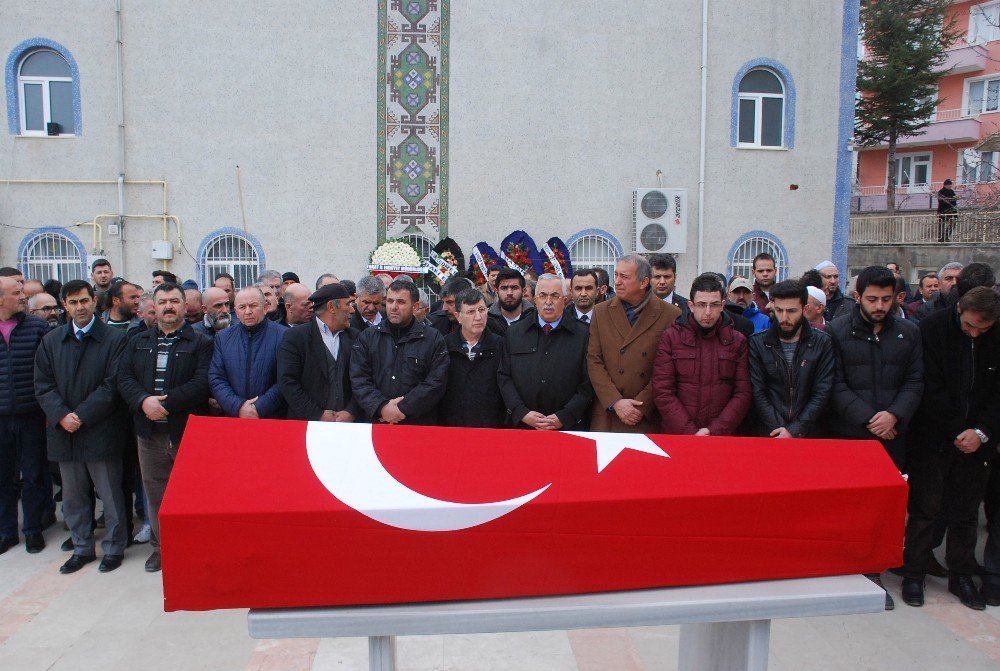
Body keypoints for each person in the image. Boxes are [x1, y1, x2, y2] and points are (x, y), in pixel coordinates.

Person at [827, 265, 923, 610]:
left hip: (893, 434)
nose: (879, 306)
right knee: (849, 507)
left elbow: (915, 381)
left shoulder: (909, 333)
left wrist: (894, 414)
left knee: (884, 510)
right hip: (851, 436)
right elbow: (834, 384)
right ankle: (844, 569)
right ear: (858, 297)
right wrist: (869, 418)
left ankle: (873, 571)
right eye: (872, 299)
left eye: (886, 299)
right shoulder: (837, 332)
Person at [900, 287, 1000, 611]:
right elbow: (929, 385)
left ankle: (961, 575)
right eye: (969, 326)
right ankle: (914, 573)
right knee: (925, 510)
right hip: (934, 436)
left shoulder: (995, 335)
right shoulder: (932, 328)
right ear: (959, 310)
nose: (974, 333)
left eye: (981, 330)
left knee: (966, 513)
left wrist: (981, 432)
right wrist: (958, 430)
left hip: (978, 442)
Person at [117, 282, 213, 572]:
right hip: (148, 433)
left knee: (192, 495)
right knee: (156, 494)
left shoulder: (201, 343)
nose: (168, 306)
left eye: (174, 301)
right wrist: (143, 401)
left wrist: (166, 404)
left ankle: (195, 547)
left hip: (185, 431)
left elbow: (202, 382)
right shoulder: (137, 341)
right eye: (162, 302)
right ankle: (162, 548)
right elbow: (124, 378)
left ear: (185, 305)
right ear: (153, 308)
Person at [34, 280, 128, 573]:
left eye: (84, 301)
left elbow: (112, 385)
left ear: (94, 302)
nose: (80, 307)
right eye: (73, 302)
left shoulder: (114, 339)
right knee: (73, 498)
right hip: (65, 433)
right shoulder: (51, 341)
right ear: (64, 305)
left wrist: (82, 415)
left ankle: (114, 548)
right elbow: (43, 385)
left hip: (100, 430)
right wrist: (63, 416)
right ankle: (82, 547)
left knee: (110, 496)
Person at [587, 255, 679, 433]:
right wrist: (616, 401)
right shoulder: (601, 311)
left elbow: (668, 370)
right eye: (616, 275)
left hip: (646, 415)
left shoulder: (670, 314)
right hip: (609, 413)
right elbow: (594, 360)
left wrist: (641, 406)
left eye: (625, 277)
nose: (618, 282)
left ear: (644, 282)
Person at [652, 273, 751, 436]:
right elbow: (663, 390)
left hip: (722, 436)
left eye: (714, 305)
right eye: (701, 304)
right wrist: (690, 432)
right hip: (679, 435)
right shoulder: (671, 338)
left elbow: (743, 393)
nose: (707, 312)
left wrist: (715, 430)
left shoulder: (737, 341)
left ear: (723, 305)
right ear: (691, 305)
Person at [498, 274, 593, 430]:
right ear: (535, 300)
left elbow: (588, 383)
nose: (548, 302)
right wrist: (521, 412)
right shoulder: (514, 333)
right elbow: (504, 377)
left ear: (565, 299)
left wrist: (565, 416)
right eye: (543, 296)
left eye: (555, 296)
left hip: (568, 427)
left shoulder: (584, 335)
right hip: (523, 426)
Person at [0, 276, 52, 555]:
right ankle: (6, 531)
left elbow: (46, 372)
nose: (23, 296)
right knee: (3, 478)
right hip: (0, 419)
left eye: (22, 291)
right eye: (16, 292)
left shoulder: (37, 328)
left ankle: (33, 529)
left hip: (31, 414)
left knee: (33, 474)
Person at [350, 279, 449, 425]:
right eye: (390, 301)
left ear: (415, 306)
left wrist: (400, 409)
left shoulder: (433, 339)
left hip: (418, 424)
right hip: (377, 423)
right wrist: (381, 407)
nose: (394, 307)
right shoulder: (367, 337)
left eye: (401, 302)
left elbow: (436, 382)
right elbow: (359, 379)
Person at [748, 280, 835, 438]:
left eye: (792, 311)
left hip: (809, 432)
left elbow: (822, 391)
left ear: (805, 309)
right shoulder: (758, 343)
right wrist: (780, 429)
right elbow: (758, 391)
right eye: (779, 310)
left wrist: (794, 429)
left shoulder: (822, 342)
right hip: (769, 431)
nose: (784, 317)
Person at [279, 283, 361, 422]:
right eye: (348, 304)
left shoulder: (356, 337)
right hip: (306, 427)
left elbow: (363, 378)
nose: (352, 310)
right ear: (331, 307)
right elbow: (288, 382)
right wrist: (317, 415)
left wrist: (351, 411)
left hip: (348, 426)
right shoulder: (295, 337)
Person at [209, 287, 287, 419]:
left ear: (265, 307)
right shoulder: (223, 338)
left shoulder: (284, 335)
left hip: (272, 417)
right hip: (234, 416)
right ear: (235, 311)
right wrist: (238, 406)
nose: (248, 311)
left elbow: (286, 378)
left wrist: (259, 408)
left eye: (253, 305)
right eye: (242, 307)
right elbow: (216, 378)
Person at [440, 289, 507, 427]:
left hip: (492, 426)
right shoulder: (444, 345)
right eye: (471, 312)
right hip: (452, 426)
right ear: (458, 317)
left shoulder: (501, 345)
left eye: (482, 310)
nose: (478, 317)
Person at [487, 268, 534, 335]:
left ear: (523, 291)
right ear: (497, 292)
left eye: (514, 287)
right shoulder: (486, 320)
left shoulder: (536, 318)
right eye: (504, 288)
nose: (509, 293)